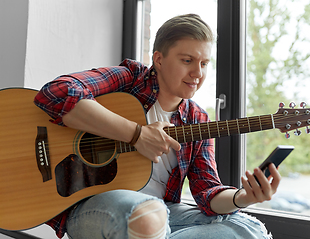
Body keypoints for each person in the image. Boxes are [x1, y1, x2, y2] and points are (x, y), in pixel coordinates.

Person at [34, 14, 280, 239]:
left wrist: (243, 197)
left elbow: (208, 192)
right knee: (148, 214)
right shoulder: (129, 79)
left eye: (204, 63)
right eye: (187, 60)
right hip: (94, 207)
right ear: (159, 59)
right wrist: (137, 134)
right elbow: (56, 93)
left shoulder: (197, 119)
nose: (197, 73)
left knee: (250, 229)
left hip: (164, 213)